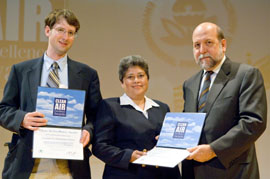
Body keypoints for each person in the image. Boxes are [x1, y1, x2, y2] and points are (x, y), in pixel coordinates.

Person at [0, 9, 102, 179]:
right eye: (60, 30)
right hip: (27, 163)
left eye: (71, 33)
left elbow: (97, 116)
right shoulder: (21, 70)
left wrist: (89, 131)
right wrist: (22, 119)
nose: (65, 37)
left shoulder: (87, 74)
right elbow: (3, 109)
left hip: (69, 165)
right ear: (48, 31)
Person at [181, 22, 267, 179]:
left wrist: (214, 150)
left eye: (208, 43)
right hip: (194, 172)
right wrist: (172, 137)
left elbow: (253, 122)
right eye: (196, 45)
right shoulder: (189, 84)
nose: (202, 50)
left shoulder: (246, 74)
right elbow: (190, 122)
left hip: (232, 171)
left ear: (223, 44)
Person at [92, 55, 181, 179]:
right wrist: (128, 156)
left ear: (147, 79)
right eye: (130, 77)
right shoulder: (110, 106)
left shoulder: (162, 108)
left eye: (141, 75)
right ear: (122, 82)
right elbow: (99, 147)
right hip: (127, 175)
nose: (136, 80)